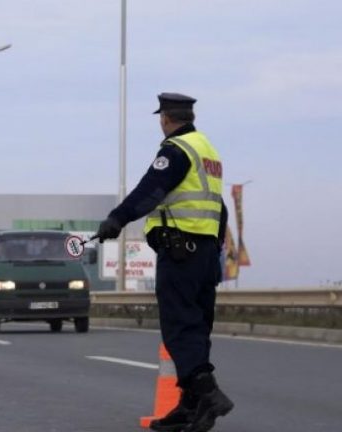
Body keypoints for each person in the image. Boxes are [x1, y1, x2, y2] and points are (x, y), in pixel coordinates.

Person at [94, 93, 234, 432]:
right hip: (205, 253)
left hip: (181, 252)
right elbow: (219, 207)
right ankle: (189, 408)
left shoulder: (176, 150)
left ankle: (207, 392)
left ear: (165, 119)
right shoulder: (208, 150)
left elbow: (150, 190)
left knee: (179, 327)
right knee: (197, 327)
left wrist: (117, 218)